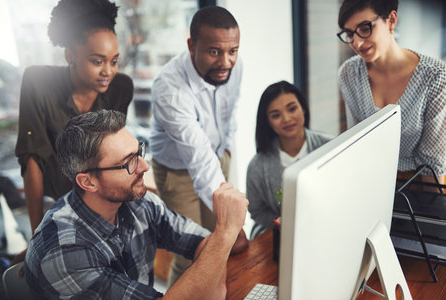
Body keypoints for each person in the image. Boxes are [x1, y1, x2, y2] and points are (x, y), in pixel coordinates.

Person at [24, 109, 249, 299]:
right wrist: (224, 234)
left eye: (138, 152)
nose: (144, 166)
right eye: (128, 162)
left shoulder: (138, 203)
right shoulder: (65, 250)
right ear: (88, 181)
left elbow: (202, 244)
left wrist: (219, 249)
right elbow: (215, 251)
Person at [14, 0, 133, 238]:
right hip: (53, 201)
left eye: (114, 61)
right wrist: (37, 233)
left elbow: (113, 158)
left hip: (100, 201)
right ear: (70, 56)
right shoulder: (38, 82)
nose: (108, 71)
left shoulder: (121, 87)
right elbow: (32, 160)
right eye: (97, 61)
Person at [149, 6, 247, 285]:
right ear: (192, 46)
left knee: (223, 243)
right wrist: (233, 221)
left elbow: (230, 112)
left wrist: (226, 150)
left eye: (232, 51)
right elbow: (197, 154)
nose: (226, 62)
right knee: (192, 251)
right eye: (214, 51)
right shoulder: (169, 88)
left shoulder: (235, 66)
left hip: (216, 157)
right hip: (177, 173)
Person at [337, 0, 445, 186]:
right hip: (369, 180)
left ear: (391, 20)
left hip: (419, 185)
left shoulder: (435, 76)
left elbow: (432, 165)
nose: (357, 42)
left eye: (365, 28)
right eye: (349, 34)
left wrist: (435, 213)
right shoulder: (349, 73)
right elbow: (355, 145)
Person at [246, 81, 331, 235]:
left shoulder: (331, 147)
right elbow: (256, 211)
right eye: (276, 115)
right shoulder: (257, 165)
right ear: (268, 122)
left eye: (292, 109)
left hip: (325, 227)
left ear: (303, 108)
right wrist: (282, 222)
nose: (286, 118)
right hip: (279, 234)